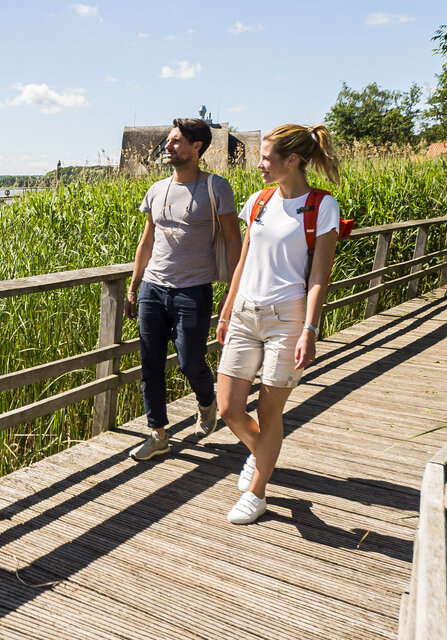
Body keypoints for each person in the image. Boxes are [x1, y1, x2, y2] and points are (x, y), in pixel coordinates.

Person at [215, 124, 344, 524]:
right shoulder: (258, 202)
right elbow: (243, 262)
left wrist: (311, 328)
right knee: (229, 409)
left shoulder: (322, 206)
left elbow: (319, 275)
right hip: (244, 314)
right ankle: (262, 456)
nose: (259, 164)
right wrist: (226, 309)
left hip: (287, 319)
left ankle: (258, 492)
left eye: (266, 158)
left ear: (292, 160)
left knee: (271, 413)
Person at [128, 118, 242, 461]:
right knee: (150, 364)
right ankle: (158, 432)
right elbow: (146, 240)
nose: (168, 145)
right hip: (153, 288)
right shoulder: (157, 189)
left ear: (197, 147)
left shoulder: (216, 188)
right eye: (168, 139)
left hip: (193, 290)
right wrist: (134, 286)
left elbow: (235, 241)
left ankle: (207, 401)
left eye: (176, 141)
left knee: (190, 361)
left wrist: (231, 292)